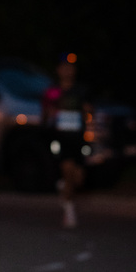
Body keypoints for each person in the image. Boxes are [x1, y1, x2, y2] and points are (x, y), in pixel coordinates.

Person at [42, 56, 92, 229]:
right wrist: (50, 114)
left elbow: (90, 112)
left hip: (78, 138)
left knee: (78, 179)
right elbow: (45, 117)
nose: (67, 71)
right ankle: (69, 212)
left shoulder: (81, 91)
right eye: (64, 67)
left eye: (70, 67)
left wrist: (88, 113)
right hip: (61, 139)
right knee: (68, 170)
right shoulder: (53, 92)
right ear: (58, 70)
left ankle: (64, 186)